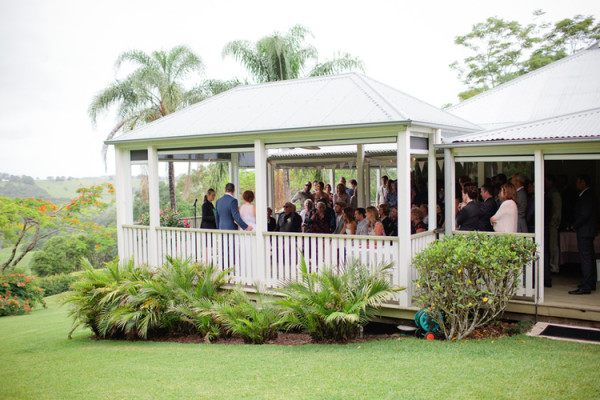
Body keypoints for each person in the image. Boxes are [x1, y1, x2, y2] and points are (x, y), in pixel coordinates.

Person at [568, 174, 598, 295]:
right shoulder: (590, 195)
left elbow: (585, 214)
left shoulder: (586, 195)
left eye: (578, 181)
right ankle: (590, 282)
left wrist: (575, 225)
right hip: (589, 231)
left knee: (586, 258)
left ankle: (586, 286)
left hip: (585, 231)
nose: (576, 184)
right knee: (590, 257)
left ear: (583, 182)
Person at [545, 175, 562, 273]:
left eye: (546, 181)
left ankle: (554, 266)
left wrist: (553, 222)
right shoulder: (550, 192)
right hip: (550, 223)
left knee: (553, 245)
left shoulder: (555, 194)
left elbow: (557, 210)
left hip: (552, 224)